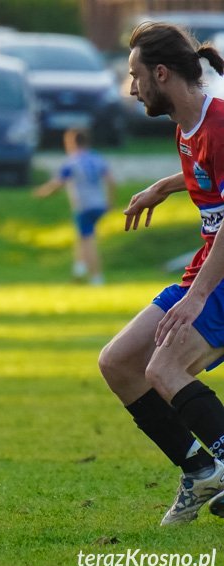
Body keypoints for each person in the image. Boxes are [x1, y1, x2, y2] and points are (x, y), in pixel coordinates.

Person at [98, 21, 224, 526]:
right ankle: (199, 472)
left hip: (216, 278)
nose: (131, 88)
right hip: (206, 270)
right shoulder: (190, 127)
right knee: (119, 363)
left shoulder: (218, 125)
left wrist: (195, 297)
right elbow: (204, 170)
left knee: (163, 369)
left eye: (135, 76)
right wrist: (164, 186)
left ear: (163, 73)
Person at [33, 127, 116, 286]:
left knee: (88, 241)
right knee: (82, 237)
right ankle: (79, 269)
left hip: (84, 205)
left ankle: (97, 278)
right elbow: (111, 180)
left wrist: (41, 193)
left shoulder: (72, 161)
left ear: (71, 142)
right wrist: (110, 202)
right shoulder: (97, 158)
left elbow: (57, 184)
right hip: (99, 203)